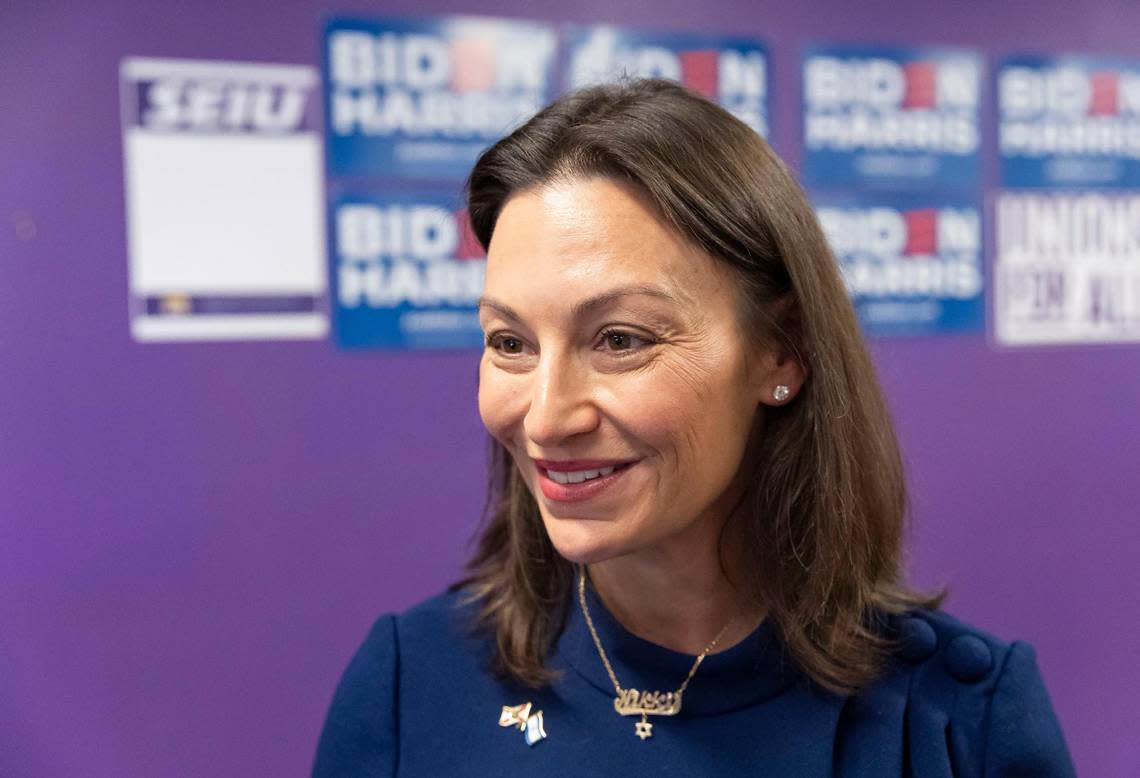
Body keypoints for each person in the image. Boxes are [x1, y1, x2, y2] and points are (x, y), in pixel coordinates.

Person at [312, 78, 1075, 777]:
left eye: (620, 340)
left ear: (783, 351)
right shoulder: (409, 685)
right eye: (511, 343)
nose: (546, 416)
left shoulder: (960, 721)